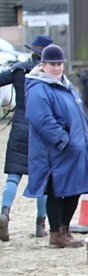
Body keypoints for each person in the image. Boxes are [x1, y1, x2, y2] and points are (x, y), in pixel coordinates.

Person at [23, 45, 88, 247]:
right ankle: (56, 232)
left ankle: (64, 228)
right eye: (52, 64)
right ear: (43, 65)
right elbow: (41, 119)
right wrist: (62, 139)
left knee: (75, 189)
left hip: (74, 149)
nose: (56, 68)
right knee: (57, 190)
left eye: (59, 64)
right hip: (55, 151)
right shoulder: (39, 88)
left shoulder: (65, 85)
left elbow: (79, 114)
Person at [0, 35, 52, 241]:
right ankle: (41, 224)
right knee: (42, 179)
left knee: (13, 175)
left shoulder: (19, 70)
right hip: (41, 127)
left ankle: (4, 213)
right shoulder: (48, 73)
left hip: (20, 125)